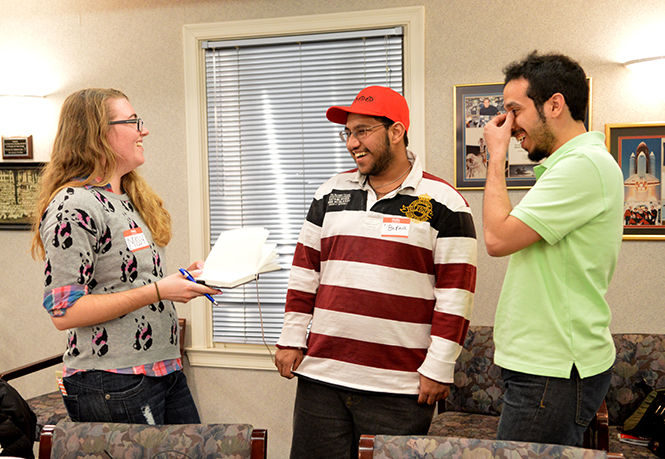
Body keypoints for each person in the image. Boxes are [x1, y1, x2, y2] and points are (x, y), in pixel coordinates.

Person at [274, 85, 477, 458]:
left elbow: (455, 296)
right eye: (348, 133)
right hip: (322, 378)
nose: (352, 143)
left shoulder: (446, 203)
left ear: (396, 132)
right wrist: (290, 339)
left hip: (399, 387)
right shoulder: (329, 193)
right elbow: (305, 271)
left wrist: (439, 367)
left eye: (362, 131)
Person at [30, 88, 221, 425]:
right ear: (98, 134)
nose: (143, 130)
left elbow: (127, 282)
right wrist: (160, 290)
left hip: (163, 369)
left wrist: (180, 281)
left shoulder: (127, 197)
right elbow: (65, 312)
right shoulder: (73, 205)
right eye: (133, 121)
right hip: (113, 380)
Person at [482, 52, 624, 446]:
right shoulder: (571, 166)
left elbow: (497, 238)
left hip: (554, 370)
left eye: (515, 110)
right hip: (547, 367)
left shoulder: (583, 166)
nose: (509, 126)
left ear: (555, 105)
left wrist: (494, 157)